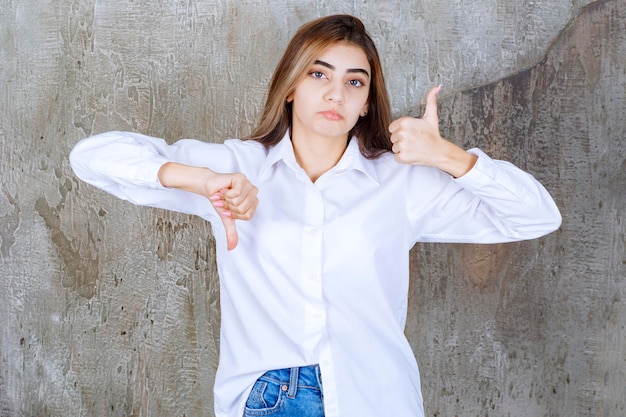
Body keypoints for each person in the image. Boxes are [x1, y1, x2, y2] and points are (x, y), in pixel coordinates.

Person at [70, 14, 561, 417]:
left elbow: (537, 216)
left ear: (367, 103)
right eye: (318, 74)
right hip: (266, 399)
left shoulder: (401, 183)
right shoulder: (238, 166)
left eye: (354, 82)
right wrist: (200, 181)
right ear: (290, 87)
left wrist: (447, 156)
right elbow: (91, 157)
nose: (335, 94)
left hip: (375, 398)